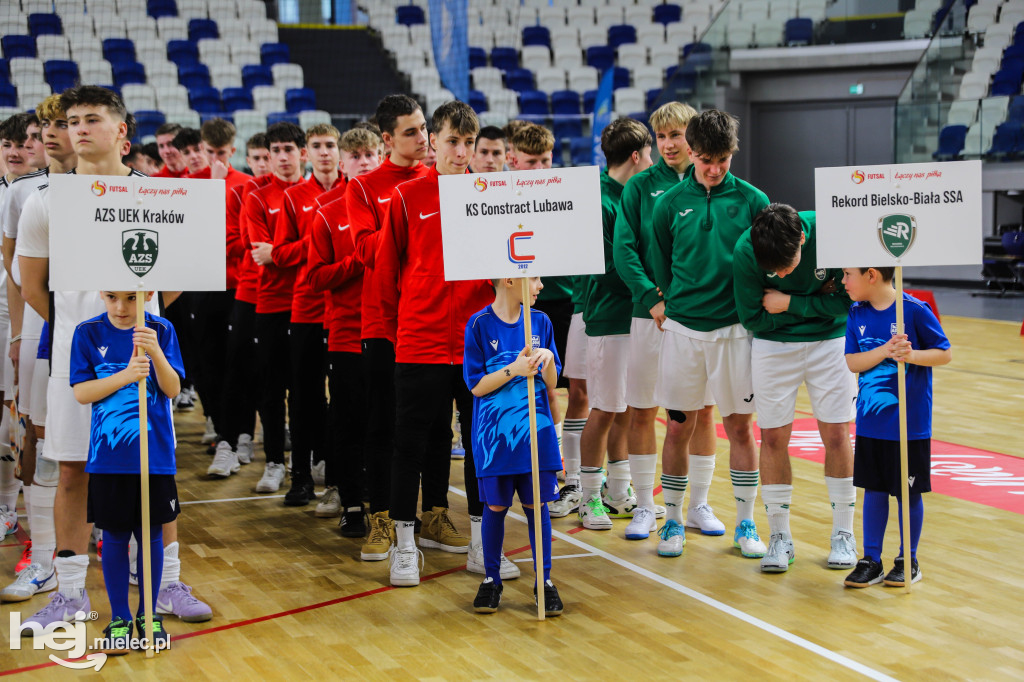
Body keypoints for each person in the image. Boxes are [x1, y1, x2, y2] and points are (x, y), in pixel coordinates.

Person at [18, 86, 209, 630]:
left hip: (145, 357)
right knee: (73, 468)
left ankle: (166, 584)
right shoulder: (46, 200)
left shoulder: (159, 196)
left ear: (121, 130)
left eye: (92, 118)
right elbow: (32, 286)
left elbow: (175, 280)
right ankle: (70, 594)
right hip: (79, 358)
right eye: (72, 120)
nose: (78, 128)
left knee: (156, 469)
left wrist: (138, 323)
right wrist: (86, 333)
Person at [376, 100, 494, 587]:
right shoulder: (406, 197)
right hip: (419, 343)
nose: (461, 152)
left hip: (477, 347)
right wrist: (395, 336)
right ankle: (405, 546)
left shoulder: (491, 196)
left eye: (469, 143)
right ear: (433, 141)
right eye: (452, 141)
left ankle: (483, 547)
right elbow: (385, 275)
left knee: (480, 448)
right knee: (409, 446)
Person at [649, 109, 770, 559]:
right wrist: (675, 302)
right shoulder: (667, 204)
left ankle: (746, 522)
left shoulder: (755, 200)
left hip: (736, 332)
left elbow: (765, 264)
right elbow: (662, 265)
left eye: (723, 160)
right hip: (683, 331)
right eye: (706, 160)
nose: (715, 169)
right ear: (692, 152)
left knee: (740, 428)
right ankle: (673, 520)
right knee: (678, 427)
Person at [612, 101, 726, 546]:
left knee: (703, 411)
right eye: (661, 137)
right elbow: (624, 250)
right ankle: (645, 505)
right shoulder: (640, 187)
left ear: (694, 138)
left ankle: (698, 504)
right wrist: (652, 299)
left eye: (676, 135)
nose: (668, 144)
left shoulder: (715, 187)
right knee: (642, 409)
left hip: (702, 321)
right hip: (651, 318)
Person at [734, 204, 857, 573]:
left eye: (786, 266)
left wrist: (788, 302)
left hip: (831, 342)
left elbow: (847, 303)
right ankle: (779, 537)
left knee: (837, 433)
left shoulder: (833, 233)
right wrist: (819, 302)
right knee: (772, 436)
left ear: (803, 238)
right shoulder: (746, 249)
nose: (782, 274)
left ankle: (844, 534)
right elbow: (752, 316)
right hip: (773, 346)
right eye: (774, 271)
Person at [69, 290, 184, 653]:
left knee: (150, 536)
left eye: (131, 298)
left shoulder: (161, 330)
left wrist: (155, 353)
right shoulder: (87, 332)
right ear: (101, 293)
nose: (121, 307)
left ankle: (149, 615)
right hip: (109, 459)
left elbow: (172, 388)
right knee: (115, 537)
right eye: (111, 297)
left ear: (147, 294)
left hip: (154, 459)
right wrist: (125, 375)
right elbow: (82, 392)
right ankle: (119, 617)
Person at [346, 95, 429, 562]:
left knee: (429, 427)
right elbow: (363, 251)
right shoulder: (364, 187)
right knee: (381, 424)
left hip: (429, 322)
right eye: (410, 132)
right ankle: (380, 517)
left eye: (424, 128)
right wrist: (408, 219)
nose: (422, 138)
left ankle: (431, 513)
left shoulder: (439, 181)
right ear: (387, 138)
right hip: (382, 321)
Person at [0, 96, 76, 602]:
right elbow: (16, 273)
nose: (49, 132)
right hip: (41, 330)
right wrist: (18, 335)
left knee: (114, 440)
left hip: (113, 333)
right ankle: (44, 560)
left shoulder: (128, 189)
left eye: (61, 123)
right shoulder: (25, 191)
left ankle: (129, 549)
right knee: (41, 443)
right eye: (45, 124)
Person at [841, 266, 951, 588]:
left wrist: (911, 354)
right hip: (870, 423)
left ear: (871, 275)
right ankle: (871, 560)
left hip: (908, 424)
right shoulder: (856, 312)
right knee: (873, 489)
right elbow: (852, 361)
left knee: (907, 491)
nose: (843, 281)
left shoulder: (914, 310)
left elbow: (944, 353)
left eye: (848, 274)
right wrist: (884, 350)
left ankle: (908, 560)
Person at [464, 276, 563, 616]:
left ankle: (544, 582)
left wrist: (546, 360)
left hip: (537, 437)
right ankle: (491, 580)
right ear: (509, 280)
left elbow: (552, 381)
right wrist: (514, 369)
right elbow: (476, 386)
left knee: (538, 505)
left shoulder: (541, 322)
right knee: (495, 507)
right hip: (495, 441)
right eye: (534, 278)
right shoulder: (479, 324)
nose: (540, 285)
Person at [575, 118, 653, 531]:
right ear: (636, 156)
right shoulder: (599, 201)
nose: (653, 162)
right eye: (650, 154)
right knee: (604, 408)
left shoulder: (633, 196)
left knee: (626, 407)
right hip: (608, 316)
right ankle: (589, 496)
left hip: (637, 316)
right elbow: (608, 267)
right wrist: (652, 289)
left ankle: (618, 491)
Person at [307, 127, 381, 523]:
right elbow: (316, 277)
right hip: (347, 334)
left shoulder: (395, 203)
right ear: (343, 162)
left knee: (385, 422)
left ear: (381, 155)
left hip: (392, 333)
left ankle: (386, 505)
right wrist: (357, 261)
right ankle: (350, 501)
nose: (364, 161)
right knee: (348, 420)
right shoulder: (327, 210)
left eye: (370, 154)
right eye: (355, 155)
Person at [274, 123, 344, 505]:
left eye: (330, 144)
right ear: (307, 153)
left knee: (342, 399)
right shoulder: (294, 196)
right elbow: (279, 253)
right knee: (302, 397)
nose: (324, 152)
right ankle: (300, 477)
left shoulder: (355, 190)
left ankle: (336, 477)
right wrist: (318, 238)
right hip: (305, 308)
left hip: (344, 311)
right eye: (317, 145)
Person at [245, 121, 308, 493]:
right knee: (271, 389)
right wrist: (305, 250)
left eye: (289, 150)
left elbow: (282, 253)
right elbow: (261, 254)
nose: (283, 157)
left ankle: (308, 459)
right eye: (276, 151)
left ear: (302, 153)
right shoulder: (257, 197)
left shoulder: (315, 194)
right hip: (270, 304)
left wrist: (282, 252)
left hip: (309, 304)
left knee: (305, 390)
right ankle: (273, 463)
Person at [187, 118, 251, 470]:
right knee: (206, 364)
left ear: (233, 150)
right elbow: (196, 236)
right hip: (201, 286)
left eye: (222, 153)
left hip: (236, 286)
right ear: (202, 149)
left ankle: (236, 436)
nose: (216, 159)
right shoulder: (189, 186)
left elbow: (242, 240)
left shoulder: (246, 185)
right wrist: (212, 186)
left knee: (236, 365)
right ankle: (219, 426)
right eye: (210, 152)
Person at [213, 133, 272, 473]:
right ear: (247, 161)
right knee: (237, 368)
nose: (263, 164)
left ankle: (263, 440)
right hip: (248, 290)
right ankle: (231, 441)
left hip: (287, 297)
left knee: (274, 374)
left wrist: (278, 251)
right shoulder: (243, 191)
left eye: (267, 157)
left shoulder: (295, 193)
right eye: (257, 158)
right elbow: (231, 241)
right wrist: (257, 248)